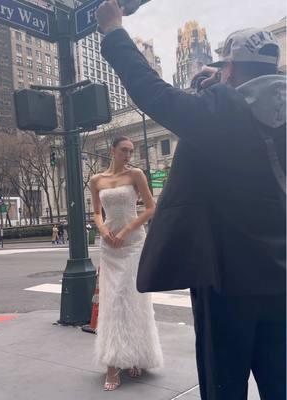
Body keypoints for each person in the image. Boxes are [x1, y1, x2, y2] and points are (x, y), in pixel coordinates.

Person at [96, 2, 286, 399]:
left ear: (231, 68)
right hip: (280, 278)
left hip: (226, 279)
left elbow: (152, 91)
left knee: (223, 385)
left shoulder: (219, 111)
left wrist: (113, 31)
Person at [90, 136, 163, 391]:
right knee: (113, 300)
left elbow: (151, 208)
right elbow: (97, 212)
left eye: (131, 151)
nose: (129, 155)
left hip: (132, 243)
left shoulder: (136, 175)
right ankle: (113, 363)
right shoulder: (96, 180)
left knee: (132, 298)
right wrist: (102, 229)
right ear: (112, 150)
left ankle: (135, 356)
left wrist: (126, 231)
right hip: (109, 245)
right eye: (124, 150)